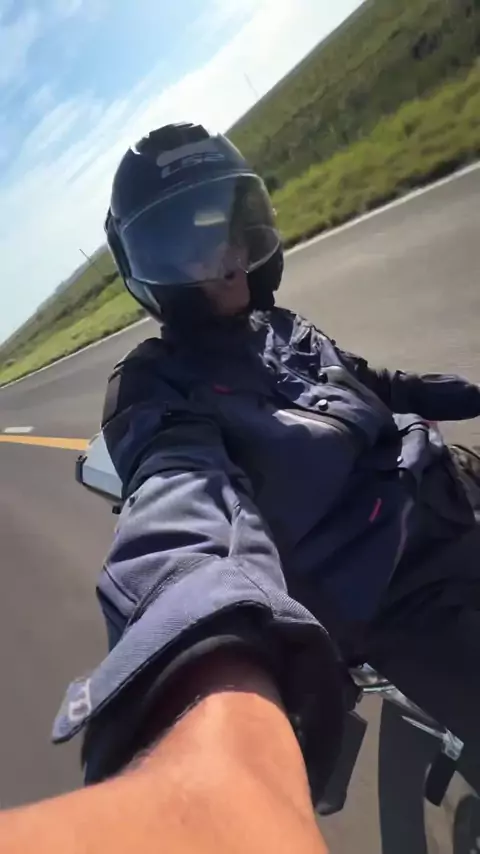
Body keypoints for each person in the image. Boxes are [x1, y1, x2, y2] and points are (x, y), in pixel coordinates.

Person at [1, 121, 480, 853]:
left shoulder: (278, 326)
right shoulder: (156, 387)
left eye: (228, 229)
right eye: (183, 246)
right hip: (395, 593)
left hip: (448, 487)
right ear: (149, 270)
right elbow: (185, 502)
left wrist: (464, 391)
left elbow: (374, 383)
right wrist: (204, 711)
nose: (224, 262)